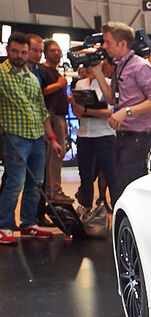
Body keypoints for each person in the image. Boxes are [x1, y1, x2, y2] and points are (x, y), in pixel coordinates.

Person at [0, 33, 65, 244]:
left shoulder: (32, 77)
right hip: (15, 138)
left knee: (36, 184)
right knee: (15, 183)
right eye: (15, 51)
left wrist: (53, 138)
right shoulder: (1, 74)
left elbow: (41, 110)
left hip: (38, 138)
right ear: (8, 50)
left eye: (23, 52)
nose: (19, 55)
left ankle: (29, 223)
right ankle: (4, 226)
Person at [87, 22, 151, 196]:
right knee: (123, 186)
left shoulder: (140, 66)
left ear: (122, 44)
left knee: (122, 187)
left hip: (137, 138)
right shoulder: (120, 66)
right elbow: (113, 99)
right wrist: (97, 73)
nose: (104, 46)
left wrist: (126, 111)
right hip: (121, 136)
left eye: (107, 42)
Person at [70, 65, 118, 211]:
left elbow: (110, 112)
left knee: (111, 175)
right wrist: (79, 109)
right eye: (86, 65)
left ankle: (118, 211)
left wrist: (86, 110)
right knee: (85, 176)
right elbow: (77, 110)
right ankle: (86, 211)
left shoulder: (109, 83)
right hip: (84, 134)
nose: (89, 67)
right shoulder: (80, 84)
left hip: (105, 135)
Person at [39, 38, 73, 204]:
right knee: (55, 155)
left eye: (59, 50)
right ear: (45, 53)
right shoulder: (43, 71)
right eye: (53, 50)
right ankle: (54, 190)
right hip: (51, 117)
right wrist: (60, 85)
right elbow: (42, 92)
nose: (57, 53)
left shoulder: (56, 72)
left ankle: (52, 189)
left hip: (60, 115)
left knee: (56, 154)